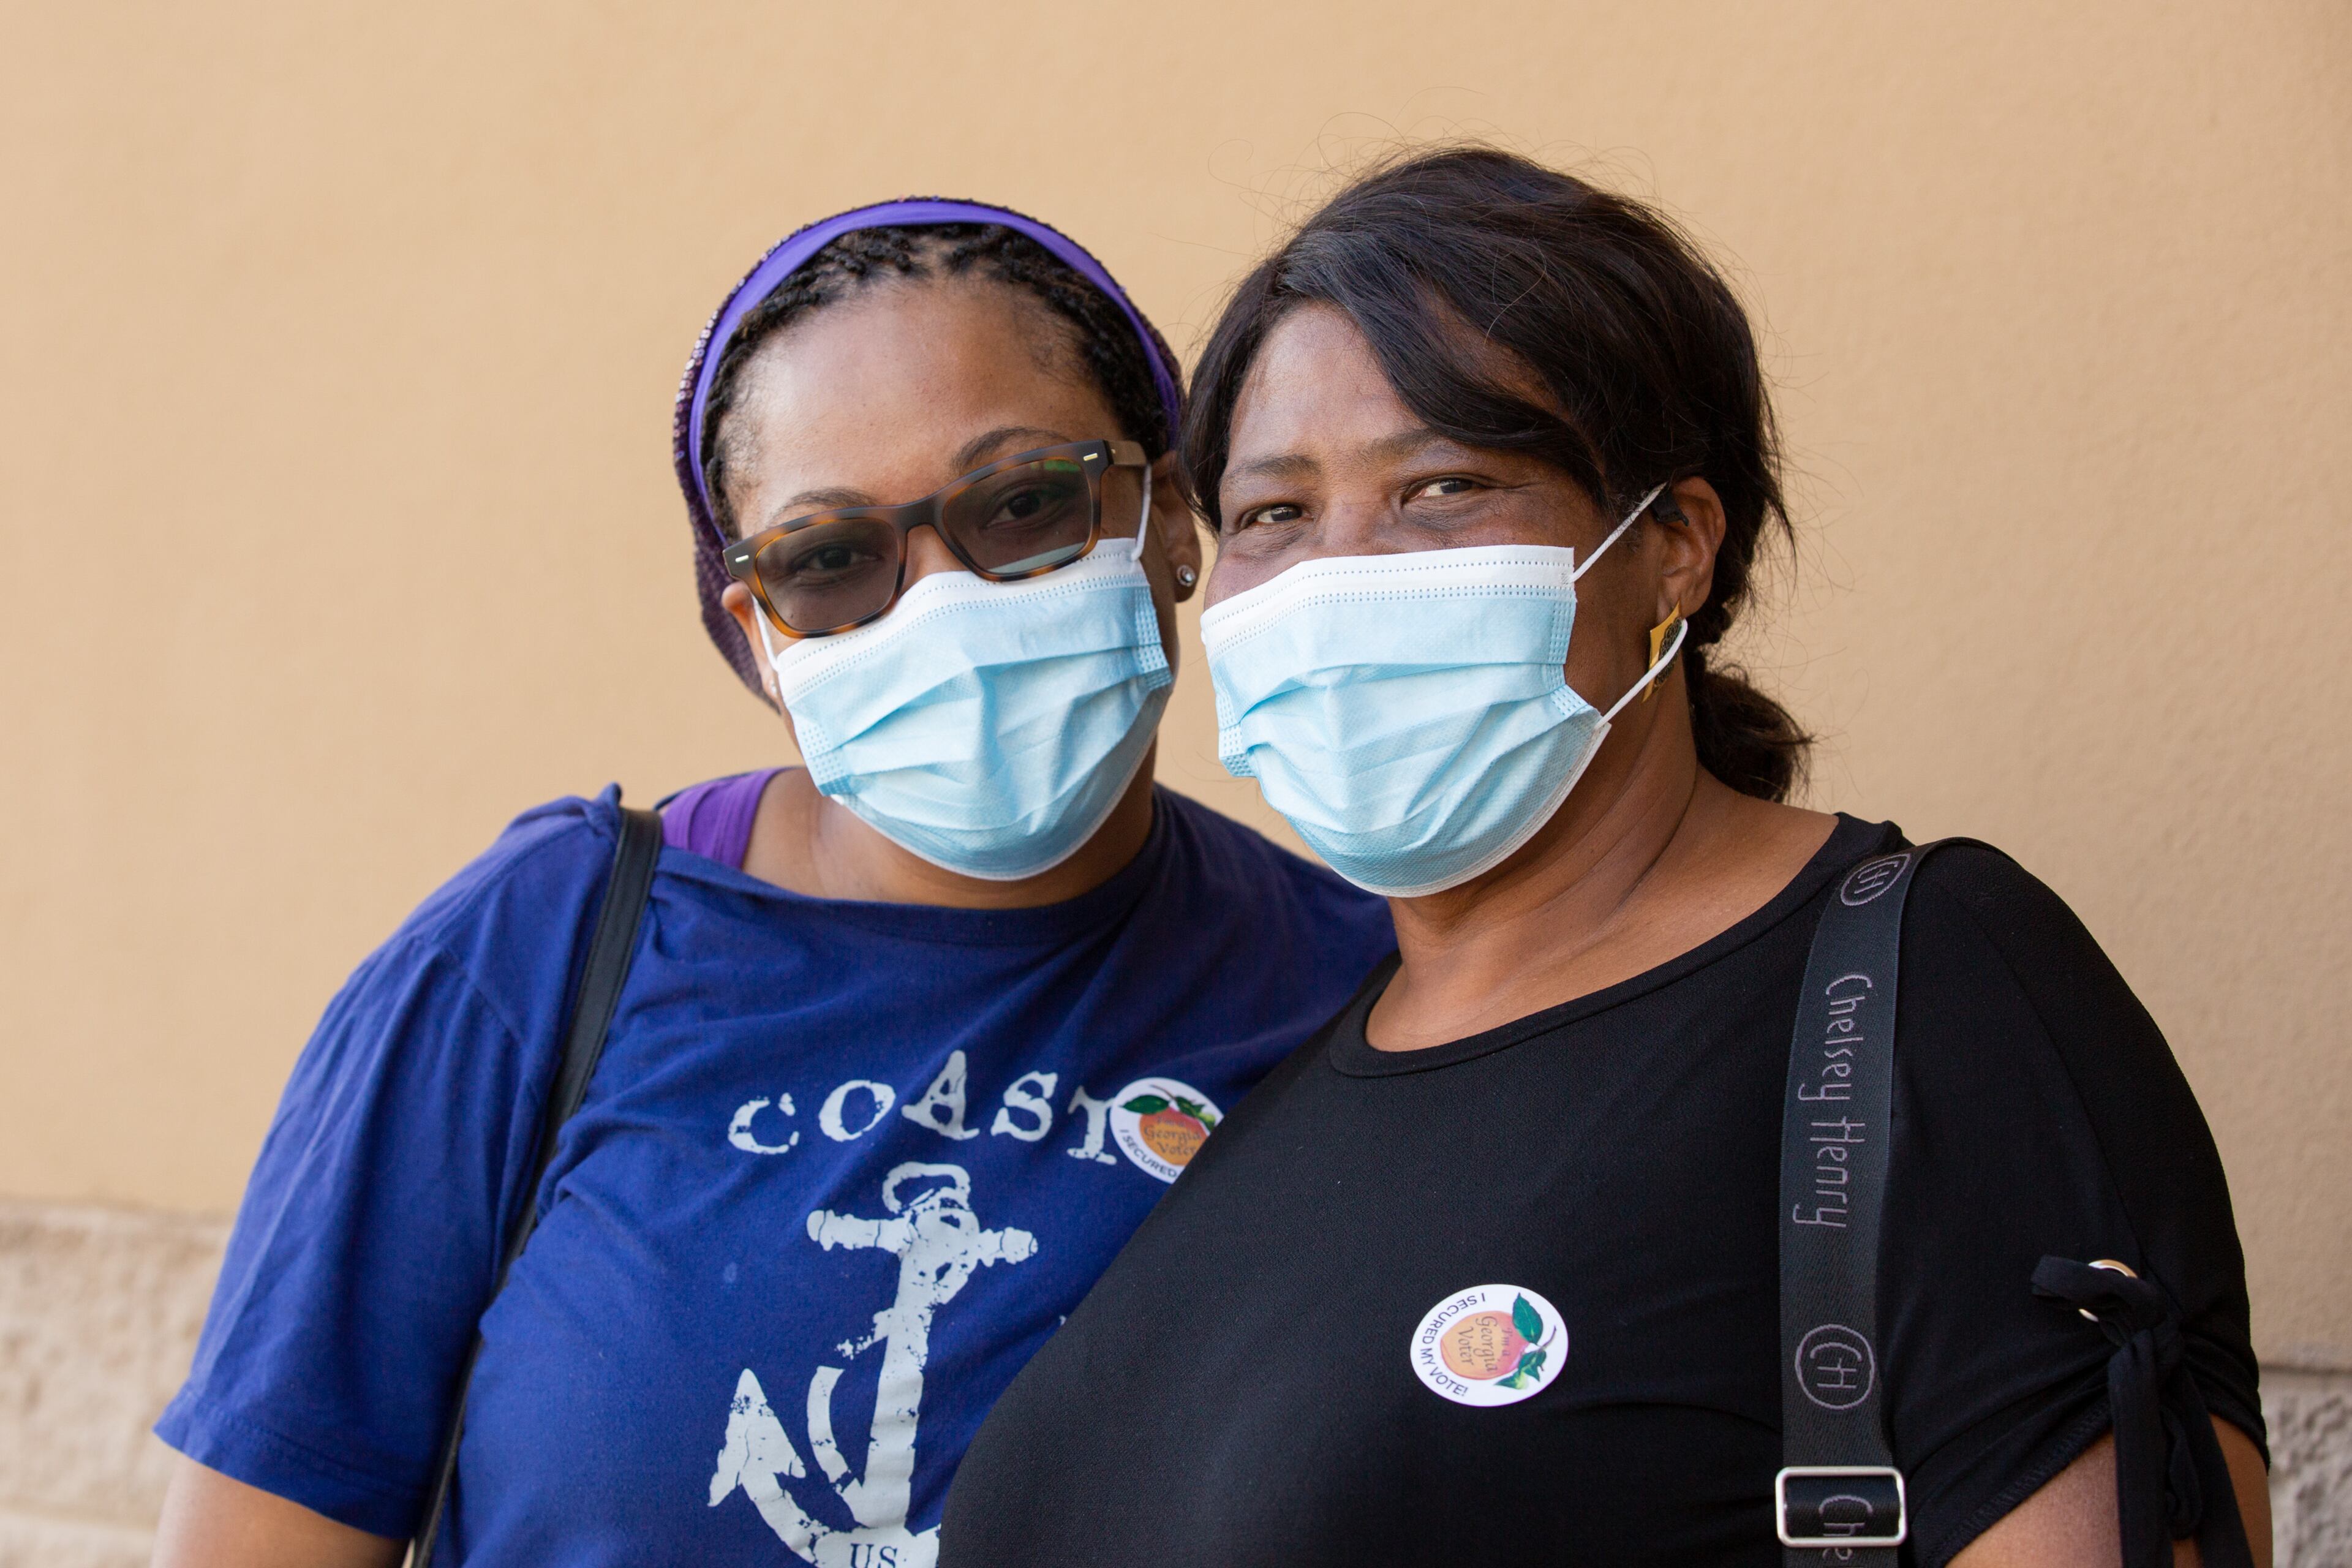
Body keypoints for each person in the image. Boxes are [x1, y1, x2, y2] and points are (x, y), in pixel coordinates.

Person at [941, 151, 2271, 1567]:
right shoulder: (1280, 1086)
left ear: (1675, 547)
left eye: (1443, 486)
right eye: (1275, 513)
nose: (1341, 573)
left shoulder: (1921, 995)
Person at [148, 199, 1393, 1568]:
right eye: (830, 559)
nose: (940, 602)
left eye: (1026, 502)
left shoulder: (1361, 988)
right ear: (759, 631)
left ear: (1165, 519)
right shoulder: (538, 952)